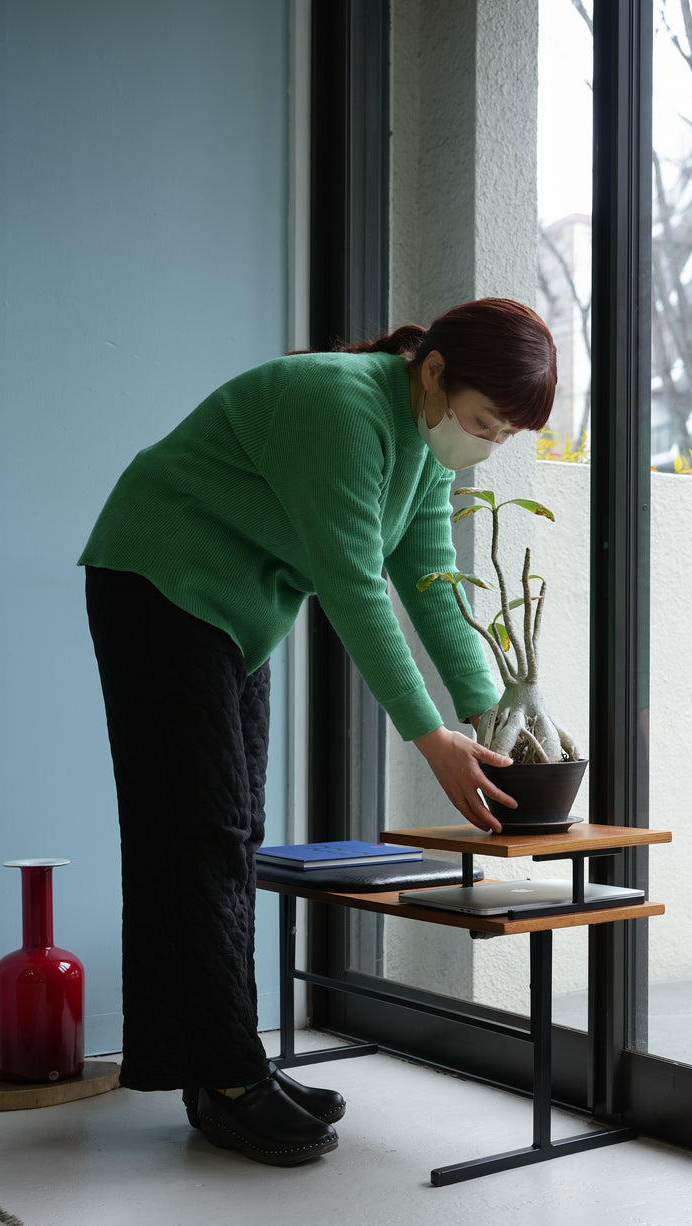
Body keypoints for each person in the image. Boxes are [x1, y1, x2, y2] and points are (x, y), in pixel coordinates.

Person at [80, 296, 558, 1168]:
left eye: (501, 437)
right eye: (485, 423)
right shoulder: (341, 404)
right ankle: (228, 1079)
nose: (484, 445)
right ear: (437, 371)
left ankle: (224, 1065)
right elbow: (352, 583)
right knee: (200, 834)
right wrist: (430, 736)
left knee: (230, 834)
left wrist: (497, 716)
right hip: (159, 580)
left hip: (231, 613)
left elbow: (426, 579)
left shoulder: (421, 443)